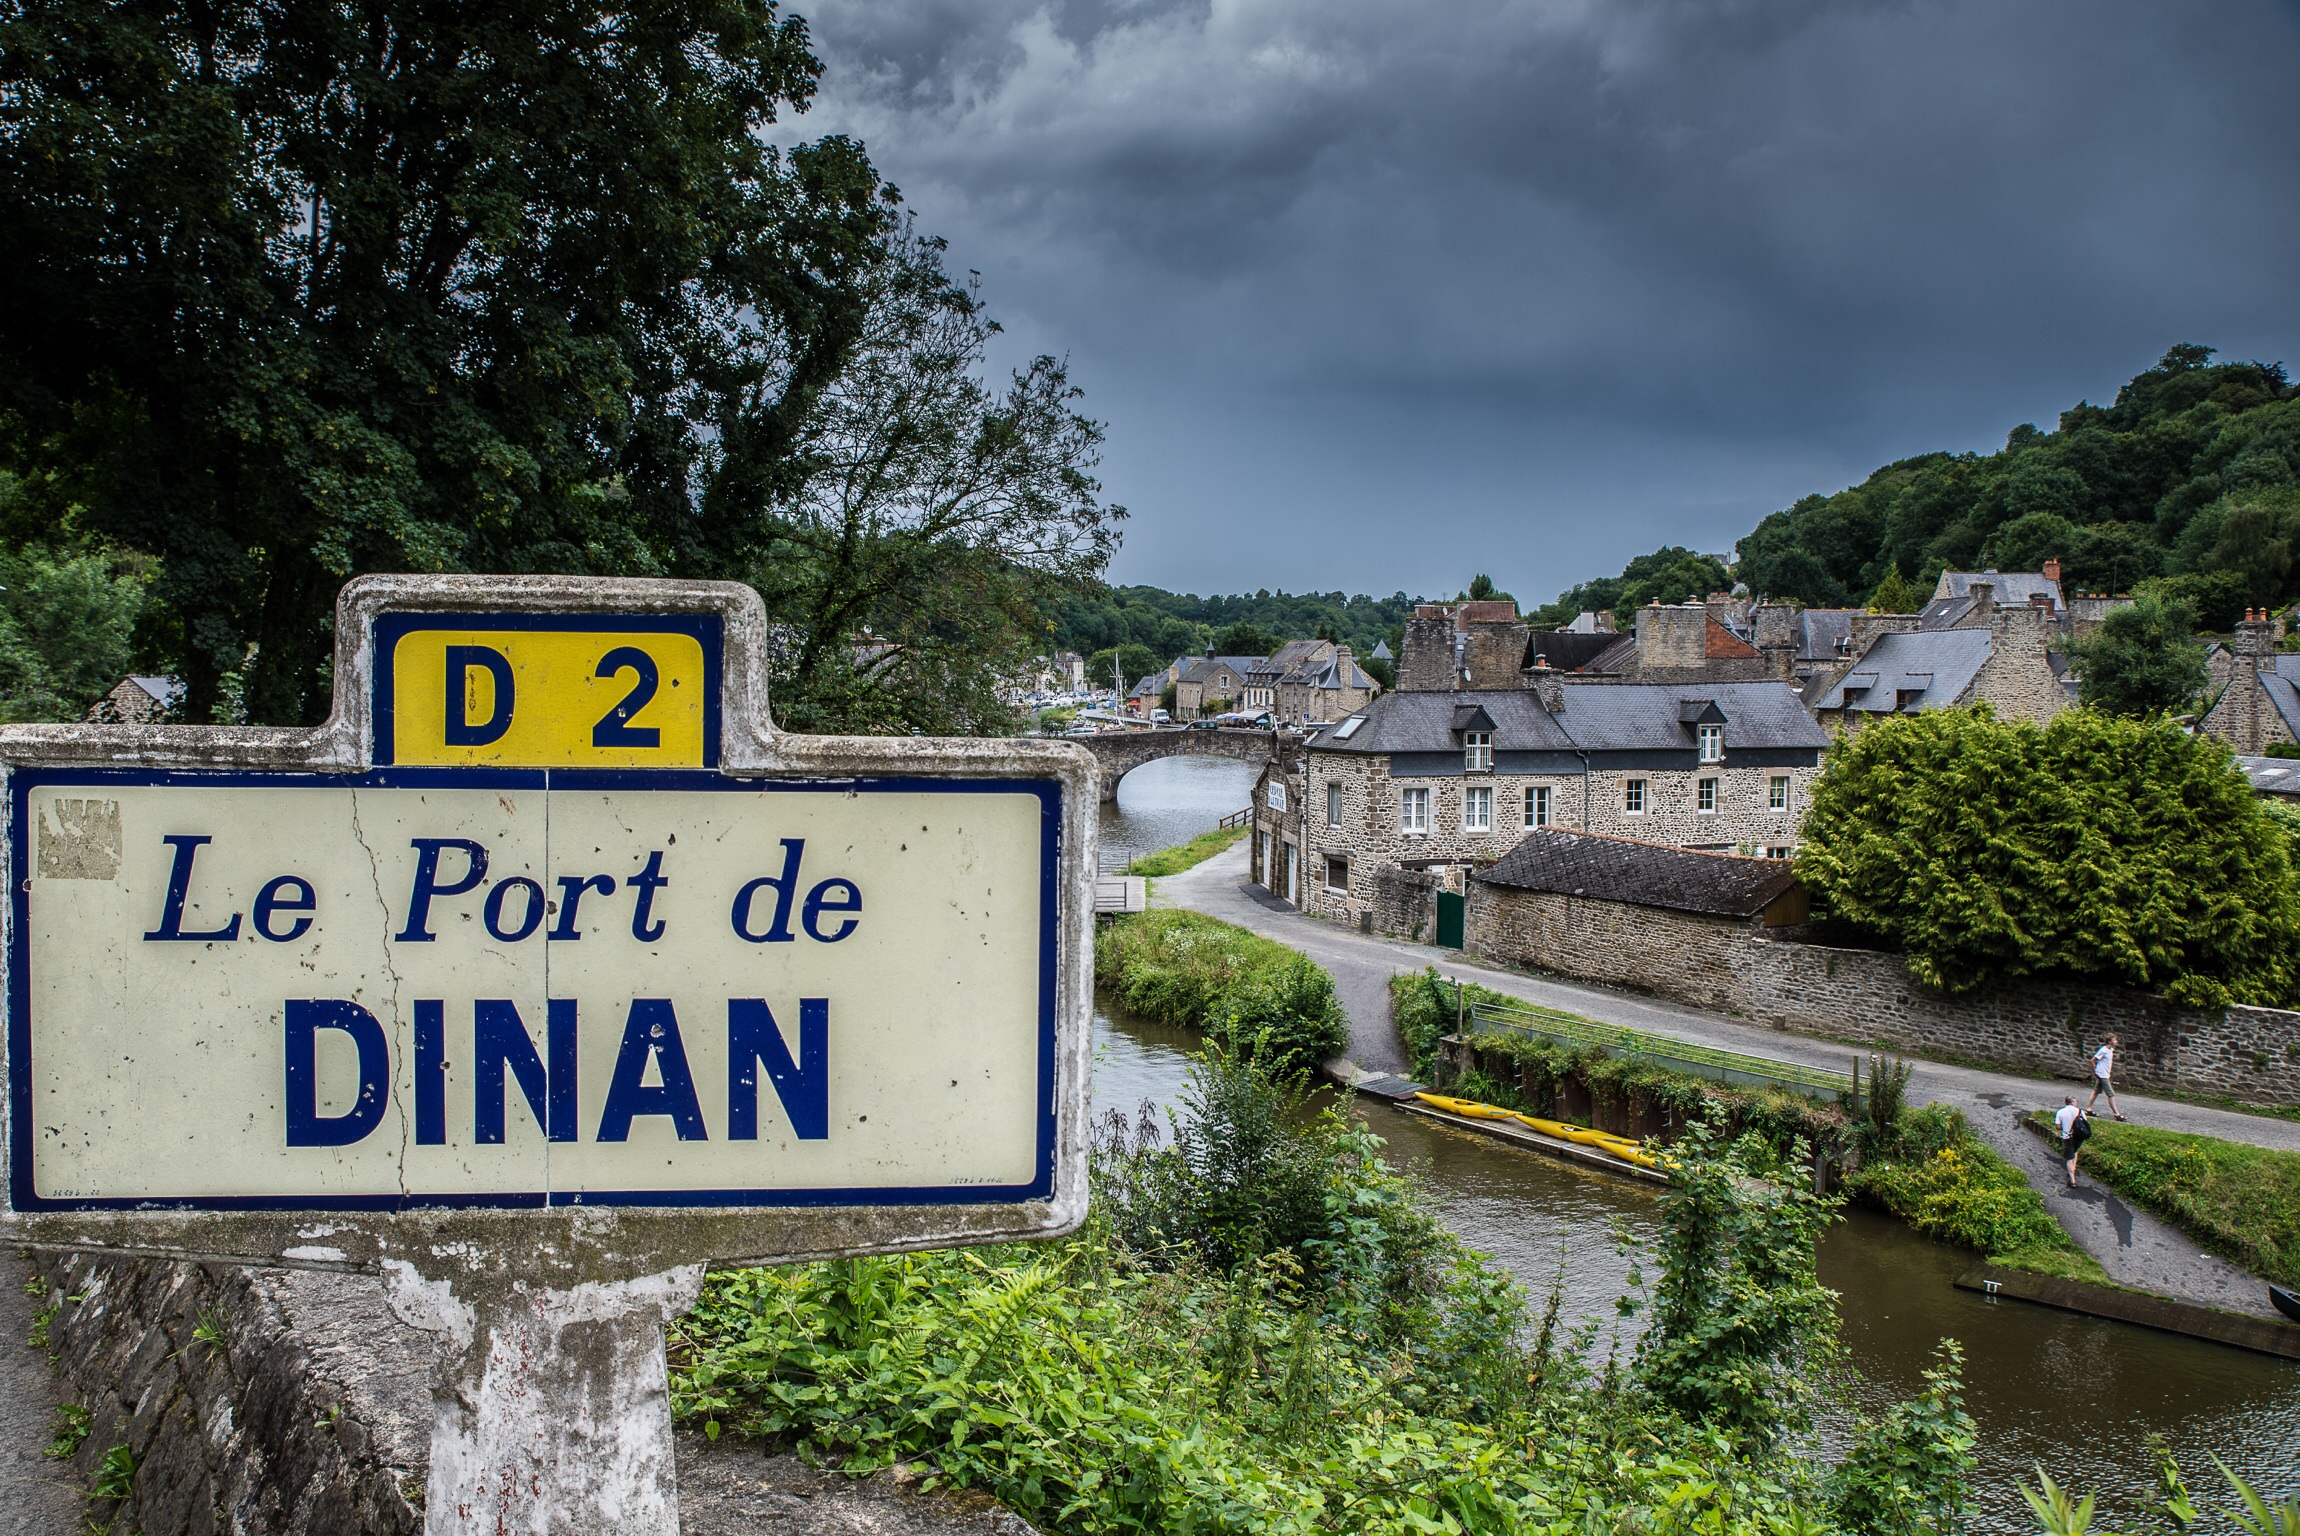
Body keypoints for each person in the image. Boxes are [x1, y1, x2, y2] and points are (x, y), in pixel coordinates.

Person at [2054, 1096, 2091, 1186]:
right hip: (2078, 1137)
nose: (2077, 1103)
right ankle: (2073, 1169)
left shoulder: (2060, 1112)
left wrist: (2065, 1127)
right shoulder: (2080, 1111)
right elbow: (2084, 1123)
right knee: (2075, 1152)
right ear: (2072, 1102)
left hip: (2067, 1137)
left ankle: (2072, 1180)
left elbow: (2058, 1126)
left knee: (2069, 1158)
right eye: (2075, 1101)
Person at [2085, 1034, 2124, 1120]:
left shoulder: (2111, 1050)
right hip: (2102, 1075)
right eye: (2114, 1040)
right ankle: (2116, 1114)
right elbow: (2092, 1061)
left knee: (2096, 1091)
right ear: (2109, 1041)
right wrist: (2095, 1072)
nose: (2116, 1041)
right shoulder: (2103, 1050)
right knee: (2110, 1094)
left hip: (2105, 1074)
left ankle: (2088, 1109)